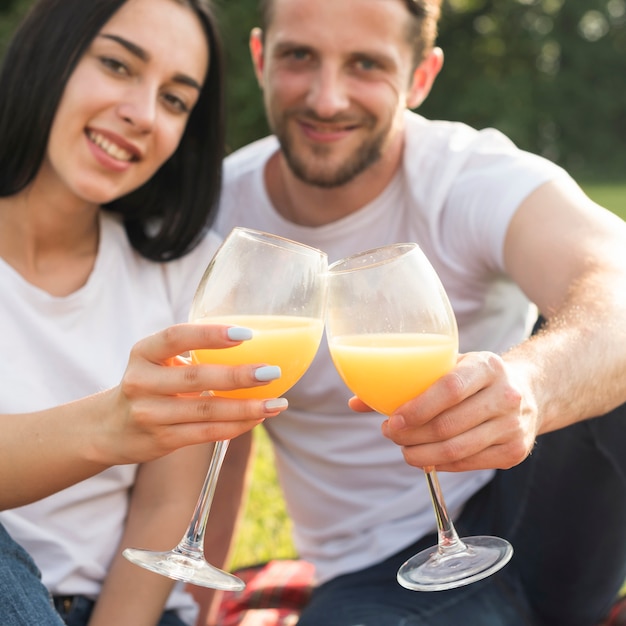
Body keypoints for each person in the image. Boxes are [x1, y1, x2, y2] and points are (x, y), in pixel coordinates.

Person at [210, 0, 626, 624]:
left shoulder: (468, 175)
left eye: (365, 64)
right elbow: (218, 423)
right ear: (261, 58)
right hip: (373, 575)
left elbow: (615, 277)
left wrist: (531, 386)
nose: (327, 99)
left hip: (539, 510)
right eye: (300, 56)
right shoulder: (218, 215)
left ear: (420, 77)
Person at [0, 0, 290, 624]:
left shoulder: (187, 270)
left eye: (175, 101)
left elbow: (164, 514)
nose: (141, 115)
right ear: (49, 52)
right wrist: (108, 427)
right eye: (116, 65)